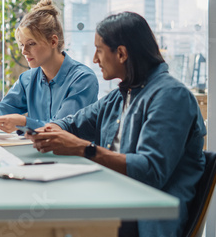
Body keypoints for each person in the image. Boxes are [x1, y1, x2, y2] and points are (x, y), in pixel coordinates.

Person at [27, 12, 206, 237]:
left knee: (44, 222)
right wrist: (48, 131)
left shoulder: (171, 97)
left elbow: (150, 171)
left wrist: (83, 149)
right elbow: (73, 123)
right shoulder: (121, 94)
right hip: (115, 201)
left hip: (144, 218)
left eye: (99, 50)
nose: (94, 59)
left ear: (121, 53)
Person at [0, 0, 98, 133]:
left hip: (72, 154)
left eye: (31, 43)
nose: (23, 51)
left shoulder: (83, 79)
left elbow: (62, 128)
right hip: (36, 152)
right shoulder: (27, 79)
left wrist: (24, 122)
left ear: (53, 41)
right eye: (22, 44)